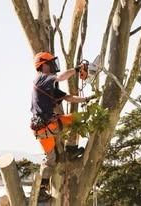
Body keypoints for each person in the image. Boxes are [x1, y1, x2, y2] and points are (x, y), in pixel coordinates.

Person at [30, 51, 93, 201]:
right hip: (48, 125)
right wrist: (78, 69)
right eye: (50, 63)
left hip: (41, 129)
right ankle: (71, 149)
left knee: (51, 159)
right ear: (44, 65)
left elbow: (68, 98)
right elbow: (61, 77)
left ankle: (41, 190)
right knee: (75, 120)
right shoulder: (42, 78)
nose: (53, 66)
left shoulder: (46, 85)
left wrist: (87, 99)